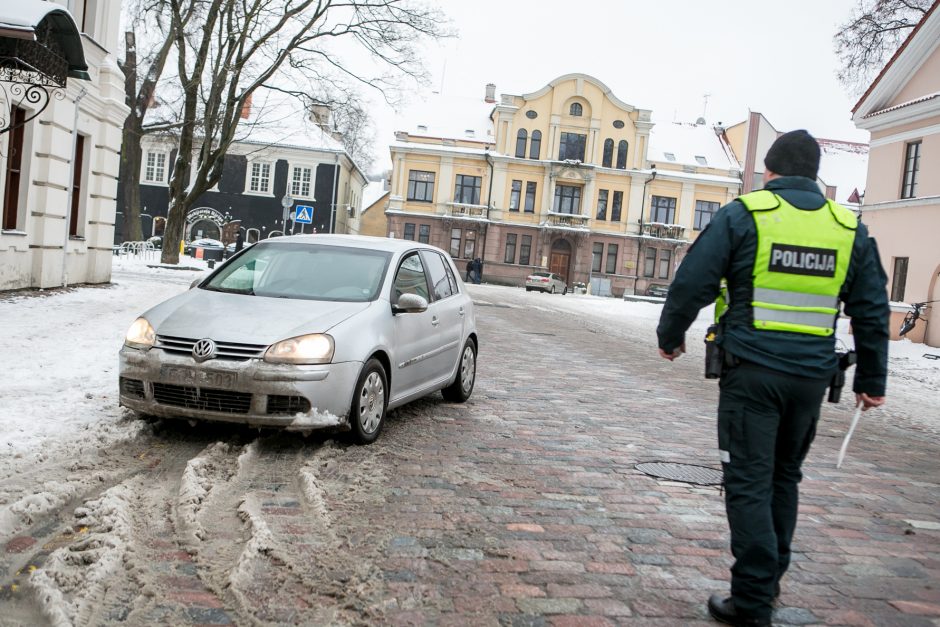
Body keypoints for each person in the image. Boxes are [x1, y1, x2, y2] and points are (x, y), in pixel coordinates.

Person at [656, 130, 889, 626]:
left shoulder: (747, 213)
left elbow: (694, 278)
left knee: (747, 482)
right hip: (810, 378)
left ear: (770, 171)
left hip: (752, 375)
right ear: (816, 174)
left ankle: (754, 600)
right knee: (785, 478)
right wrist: (874, 379)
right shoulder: (848, 227)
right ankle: (769, 584)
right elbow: (871, 308)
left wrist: (671, 334)